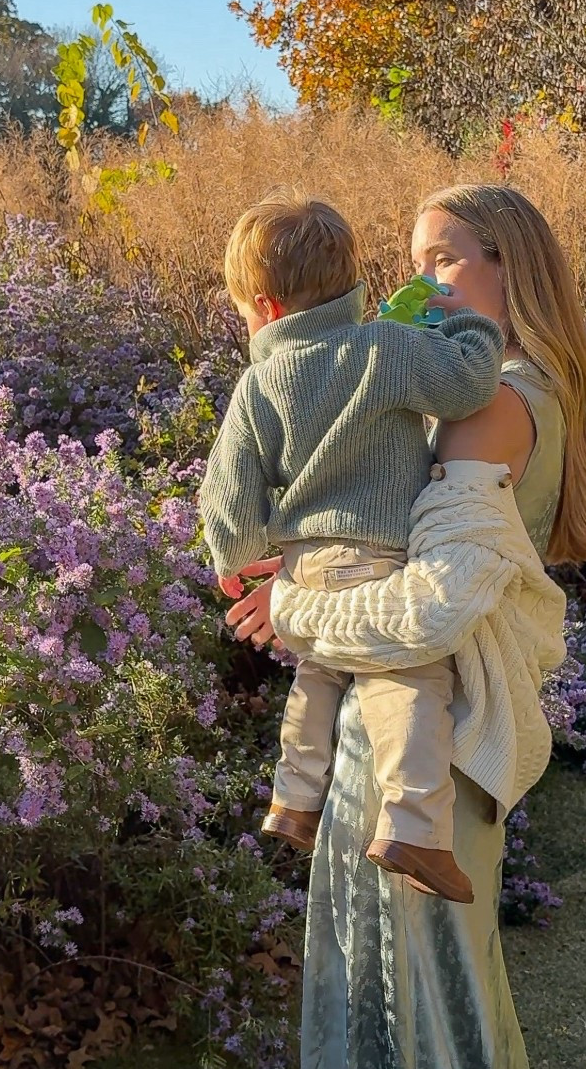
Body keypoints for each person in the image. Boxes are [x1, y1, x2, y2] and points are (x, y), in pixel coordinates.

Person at [224, 184, 586, 1069]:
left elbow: (434, 606)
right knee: (461, 1036)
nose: (419, 282)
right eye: (409, 261)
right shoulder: (509, 388)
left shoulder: (497, 396)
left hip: (420, 774)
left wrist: (294, 616)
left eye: (442, 258)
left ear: (512, 262)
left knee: (410, 1058)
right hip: (443, 762)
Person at [199, 194, 505, 902]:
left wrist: (237, 561)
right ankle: (414, 828)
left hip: (305, 566)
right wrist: (469, 323)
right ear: (354, 286)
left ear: (269, 310)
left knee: (319, 673)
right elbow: (470, 382)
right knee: (410, 680)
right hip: (378, 558)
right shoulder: (388, 348)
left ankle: (295, 800)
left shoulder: (258, 384)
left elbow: (228, 492)